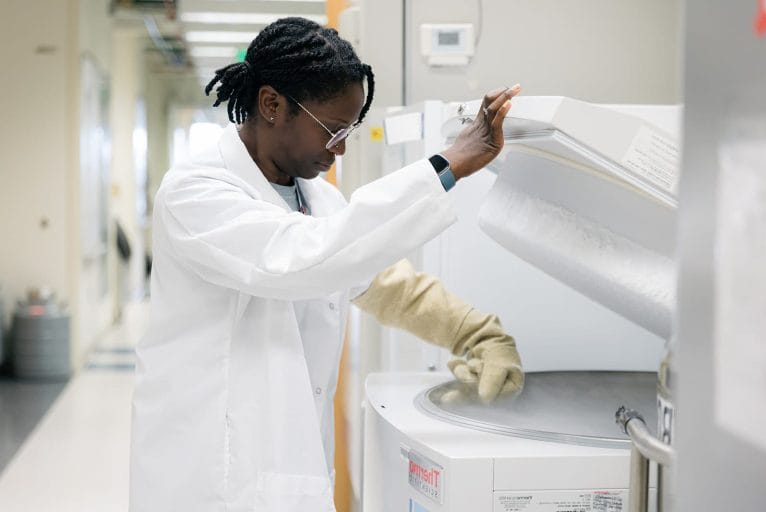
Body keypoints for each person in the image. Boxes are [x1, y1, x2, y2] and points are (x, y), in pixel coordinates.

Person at [130, 16, 523, 512]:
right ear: (272, 104)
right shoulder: (195, 192)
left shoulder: (317, 197)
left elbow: (380, 281)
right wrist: (445, 167)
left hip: (284, 466)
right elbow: (302, 259)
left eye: (350, 131)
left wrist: (475, 332)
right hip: (210, 475)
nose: (340, 149)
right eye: (332, 131)